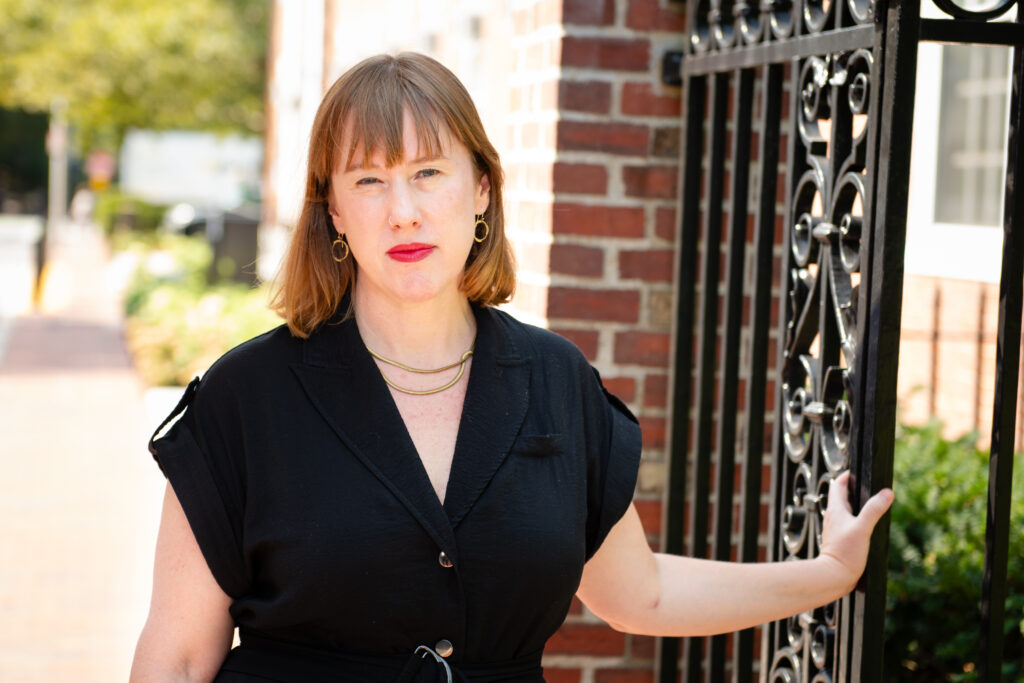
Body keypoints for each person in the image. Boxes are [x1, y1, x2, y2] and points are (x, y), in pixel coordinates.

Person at [129, 52, 893, 683]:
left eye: (429, 172)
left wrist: (827, 573)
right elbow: (178, 657)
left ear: (482, 189)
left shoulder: (556, 382)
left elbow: (644, 593)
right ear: (333, 210)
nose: (403, 210)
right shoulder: (245, 399)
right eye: (368, 180)